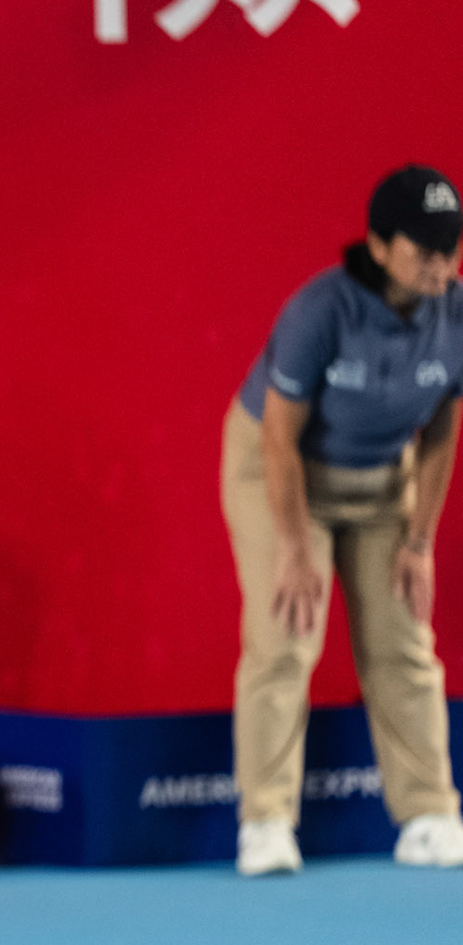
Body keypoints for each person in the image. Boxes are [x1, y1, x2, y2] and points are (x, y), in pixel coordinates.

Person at [224, 164, 463, 875]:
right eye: (425, 250)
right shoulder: (319, 312)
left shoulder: (455, 314)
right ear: (380, 246)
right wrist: (294, 548)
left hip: (383, 481)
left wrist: (419, 540)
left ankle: (429, 813)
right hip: (280, 470)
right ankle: (266, 821)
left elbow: (443, 431)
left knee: (402, 639)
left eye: (452, 248)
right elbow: (278, 438)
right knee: (286, 635)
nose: (443, 265)